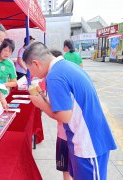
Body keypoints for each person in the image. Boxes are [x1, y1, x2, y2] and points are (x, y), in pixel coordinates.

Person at [23, 42, 117, 180]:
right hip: (90, 137)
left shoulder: (54, 76)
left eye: (31, 70)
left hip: (88, 142)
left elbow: (64, 116)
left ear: (36, 63)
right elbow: (67, 106)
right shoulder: (67, 66)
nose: (33, 74)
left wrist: (40, 104)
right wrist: (44, 100)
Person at [49, 49, 72, 180]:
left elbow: (61, 116)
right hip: (64, 134)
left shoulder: (55, 78)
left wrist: (41, 104)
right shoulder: (65, 76)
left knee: (67, 169)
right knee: (67, 168)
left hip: (66, 134)